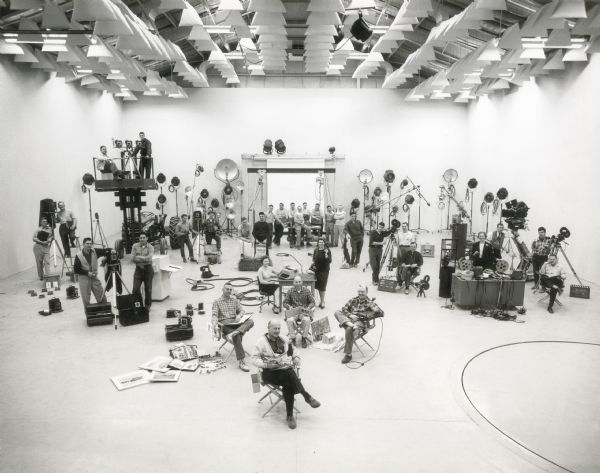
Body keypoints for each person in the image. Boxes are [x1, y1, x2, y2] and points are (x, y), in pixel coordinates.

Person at [252, 319, 321, 429]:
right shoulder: (261, 342)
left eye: (279, 328)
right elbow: (254, 359)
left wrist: (296, 357)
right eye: (274, 328)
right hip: (269, 373)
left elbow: (294, 350)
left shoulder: (284, 339)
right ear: (268, 328)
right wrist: (267, 365)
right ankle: (306, 395)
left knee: (288, 382)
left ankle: (290, 416)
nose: (277, 331)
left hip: (283, 371)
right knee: (289, 372)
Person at [334, 286, 384, 364]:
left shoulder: (370, 302)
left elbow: (381, 313)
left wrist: (370, 313)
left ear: (366, 292)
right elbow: (344, 309)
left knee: (349, 329)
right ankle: (350, 324)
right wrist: (350, 315)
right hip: (349, 319)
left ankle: (348, 354)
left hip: (360, 322)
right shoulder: (353, 299)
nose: (360, 293)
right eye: (359, 291)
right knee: (337, 312)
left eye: (362, 292)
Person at [212, 283, 254, 372]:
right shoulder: (217, 301)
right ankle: (241, 361)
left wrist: (239, 315)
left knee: (250, 321)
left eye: (231, 289)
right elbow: (214, 315)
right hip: (225, 324)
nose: (229, 291)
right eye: (227, 289)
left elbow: (242, 310)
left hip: (236, 322)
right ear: (222, 289)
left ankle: (238, 331)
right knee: (237, 336)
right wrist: (215, 325)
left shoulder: (234, 300)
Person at [283, 275, 316, 348]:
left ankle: (304, 338)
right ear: (293, 283)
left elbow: (313, 302)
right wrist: (289, 306)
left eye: (299, 282)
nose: (298, 283)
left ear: (302, 282)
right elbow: (285, 302)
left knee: (307, 320)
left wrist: (308, 307)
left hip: (303, 311)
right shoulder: (290, 291)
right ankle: (293, 337)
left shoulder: (306, 291)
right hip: (294, 311)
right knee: (289, 320)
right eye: (296, 282)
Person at [73, 237, 107, 308]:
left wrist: (108, 255)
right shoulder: (78, 255)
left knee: (101, 294)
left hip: (94, 277)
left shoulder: (94, 251)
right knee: (86, 299)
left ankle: (105, 312)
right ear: (83, 244)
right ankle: (89, 316)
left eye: (90, 244)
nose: (89, 245)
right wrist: (87, 273)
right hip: (84, 279)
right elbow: (76, 269)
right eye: (87, 244)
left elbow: (105, 251)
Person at [131, 232, 154, 309]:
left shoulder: (150, 247)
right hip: (138, 270)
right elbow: (132, 258)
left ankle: (147, 306)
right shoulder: (135, 246)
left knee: (148, 289)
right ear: (139, 239)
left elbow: (149, 258)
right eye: (141, 238)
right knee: (135, 289)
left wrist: (138, 257)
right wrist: (144, 258)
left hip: (148, 269)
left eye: (144, 237)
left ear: (147, 238)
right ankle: (139, 305)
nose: (142, 239)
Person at [312, 237, 332, 308]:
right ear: (318, 243)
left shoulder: (327, 250)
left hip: (324, 271)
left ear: (324, 243)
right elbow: (314, 259)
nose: (321, 243)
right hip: (317, 270)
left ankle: (322, 301)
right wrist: (313, 267)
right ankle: (315, 301)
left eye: (322, 242)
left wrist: (326, 255)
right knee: (316, 286)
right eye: (319, 242)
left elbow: (329, 261)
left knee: (322, 287)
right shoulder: (316, 250)